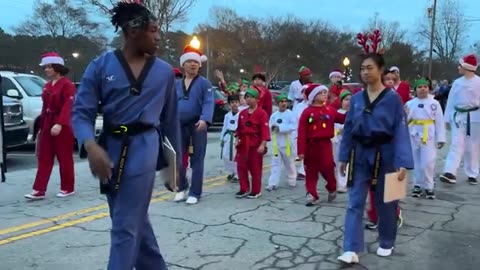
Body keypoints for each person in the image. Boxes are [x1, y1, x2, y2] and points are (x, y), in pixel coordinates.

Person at [71, 2, 181, 269]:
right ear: (133, 30)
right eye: (153, 30)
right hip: (109, 152)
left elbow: (170, 122)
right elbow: (80, 113)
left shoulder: (165, 72)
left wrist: (175, 166)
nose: (158, 37)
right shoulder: (100, 66)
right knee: (133, 223)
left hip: (144, 148)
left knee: (124, 227)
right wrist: (90, 146)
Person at [337, 30, 413, 263]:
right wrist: (343, 156)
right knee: (355, 201)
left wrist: (403, 162)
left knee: (387, 201)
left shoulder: (392, 98)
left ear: (381, 70)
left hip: (386, 154)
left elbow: (401, 129)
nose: (365, 72)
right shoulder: (357, 98)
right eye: (362, 68)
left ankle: (387, 240)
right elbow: (349, 127)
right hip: (360, 153)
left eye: (370, 68)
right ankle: (351, 248)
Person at [25, 52, 76, 200]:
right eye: (45, 67)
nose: (46, 70)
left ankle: (68, 187)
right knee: (44, 156)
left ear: (57, 67)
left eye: (49, 67)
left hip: (62, 125)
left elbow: (68, 105)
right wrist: (41, 127)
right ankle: (39, 189)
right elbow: (45, 107)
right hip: (47, 122)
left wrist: (60, 123)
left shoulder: (67, 85)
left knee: (64, 157)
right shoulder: (47, 85)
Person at [174, 45, 214, 205]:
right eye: (189, 61)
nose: (193, 64)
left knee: (197, 160)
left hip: (197, 125)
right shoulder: (176, 84)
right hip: (178, 125)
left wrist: (205, 119)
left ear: (199, 65)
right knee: (177, 158)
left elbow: (208, 102)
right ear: (183, 65)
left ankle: (195, 192)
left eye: (195, 62)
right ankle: (181, 188)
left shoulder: (205, 83)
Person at [297, 84, 346, 206]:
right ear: (313, 96)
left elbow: (342, 118)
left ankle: (332, 187)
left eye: (326, 92)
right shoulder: (307, 112)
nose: (325, 95)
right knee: (310, 171)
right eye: (322, 93)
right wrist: (301, 151)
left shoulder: (330, 110)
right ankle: (312, 194)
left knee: (328, 169)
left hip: (325, 145)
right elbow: (301, 131)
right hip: (311, 146)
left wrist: (352, 111)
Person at [441, 54, 480, 185]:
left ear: (466, 67)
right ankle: (450, 172)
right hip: (458, 118)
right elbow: (451, 101)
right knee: (456, 144)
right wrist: (446, 119)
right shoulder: (457, 83)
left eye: (460, 65)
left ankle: (472, 173)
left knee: (472, 147)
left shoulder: (479, 82)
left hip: (474, 118)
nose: (458, 68)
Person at [406, 78, 446, 199]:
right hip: (413, 134)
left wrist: (441, 138)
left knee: (428, 162)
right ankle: (417, 184)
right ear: (415, 89)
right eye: (419, 87)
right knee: (416, 162)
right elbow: (405, 120)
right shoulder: (410, 104)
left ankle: (429, 186)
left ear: (428, 88)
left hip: (428, 134)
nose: (422, 89)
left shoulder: (435, 103)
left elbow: (439, 121)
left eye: (425, 86)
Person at [235, 88, 270, 198]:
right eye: (246, 97)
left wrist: (263, 144)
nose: (247, 100)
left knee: (255, 168)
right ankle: (244, 188)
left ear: (256, 99)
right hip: (243, 143)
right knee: (241, 166)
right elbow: (239, 129)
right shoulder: (242, 113)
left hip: (255, 143)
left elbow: (265, 130)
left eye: (250, 97)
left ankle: (256, 190)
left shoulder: (262, 113)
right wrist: (237, 139)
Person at [266, 93, 297, 190]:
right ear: (277, 103)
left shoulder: (290, 114)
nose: (283, 103)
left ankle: (292, 179)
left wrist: (281, 128)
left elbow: (293, 126)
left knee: (289, 163)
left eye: (285, 101)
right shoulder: (274, 115)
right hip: (276, 143)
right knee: (275, 163)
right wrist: (272, 128)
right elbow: (270, 125)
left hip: (287, 143)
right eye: (281, 102)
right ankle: (273, 183)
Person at [333, 90, 352, 193]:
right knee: (339, 161)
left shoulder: (354, 113)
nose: (348, 102)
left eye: (350, 100)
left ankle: (346, 182)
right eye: (346, 99)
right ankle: (341, 184)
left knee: (349, 162)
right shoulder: (337, 113)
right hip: (338, 141)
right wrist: (338, 132)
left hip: (350, 142)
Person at [220, 93, 241, 182]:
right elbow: (224, 127)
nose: (234, 104)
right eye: (232, 102)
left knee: (235, 156)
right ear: (229, 104)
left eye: (236, 102)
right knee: (225, 155)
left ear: (239, 103)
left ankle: (238, 174)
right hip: (228, 137)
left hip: (237, 137)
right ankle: (232, 171)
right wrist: (222, 138)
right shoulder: (227, 115)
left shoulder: (241, 114)